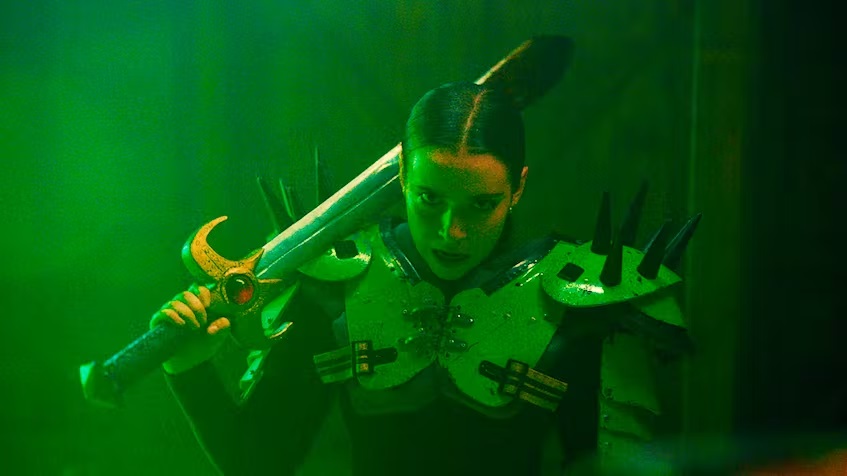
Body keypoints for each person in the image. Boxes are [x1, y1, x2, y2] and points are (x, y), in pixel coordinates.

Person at [153, 81, 694, 475]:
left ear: (519, 187)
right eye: (430, 199)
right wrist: (190, 369)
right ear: (403, 177)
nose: (451, 232)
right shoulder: (339, 284)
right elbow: (257, 462)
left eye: (481, 204)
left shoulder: (580, 300)